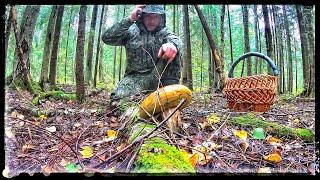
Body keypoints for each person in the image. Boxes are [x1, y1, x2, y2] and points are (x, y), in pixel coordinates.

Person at [102, 5, 183, 106]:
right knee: (117, 102)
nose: (152, 21)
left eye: (156, 17)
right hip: (135, 78)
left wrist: (172, 45)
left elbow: (176, 40)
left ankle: (169, 90)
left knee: (175, 50)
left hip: (160, 77)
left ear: (161, 18)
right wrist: (130, 19)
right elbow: (107, 38)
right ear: (141, 16)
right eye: (148, 16)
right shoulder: (131, 31)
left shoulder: (164, 33)